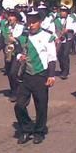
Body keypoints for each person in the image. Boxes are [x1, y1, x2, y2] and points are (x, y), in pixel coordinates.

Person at [13, 9, 57, 145]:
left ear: (40, 22)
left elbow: (52, 57)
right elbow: (17, 51)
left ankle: (39, 131)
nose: (31, 24)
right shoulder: (23, 36)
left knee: (41, 105)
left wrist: (51, 75)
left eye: (34, 22)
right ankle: (26, 129)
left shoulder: (47, 36)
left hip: (40, 74)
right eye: (29, 21)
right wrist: (20, 57)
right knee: (19, 105)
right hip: (26, 74)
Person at [1, 9, 25, 102]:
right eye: (9, 16)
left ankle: (17, 92)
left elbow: (24, 39)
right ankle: (13, 89)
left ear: (16, 18)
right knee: (9, 73)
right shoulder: (7, 27)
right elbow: (1, 38)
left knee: (13, 72)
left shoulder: (21, 27)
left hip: (18, 52)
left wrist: (15, 40)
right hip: (8, 52)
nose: (10, 18)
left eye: (12, 16)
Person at [54, 5, 76, 79]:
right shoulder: (56, 19)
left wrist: (67, 30)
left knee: (65, 55)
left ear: (67, 12)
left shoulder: (71, 19)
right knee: (59, 55)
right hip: (59, 39)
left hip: (68, 39)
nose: (62, 13)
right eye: (61, 11)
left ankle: (66, 72)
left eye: (64, 11)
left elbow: (75, 29)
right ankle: (62, 69)